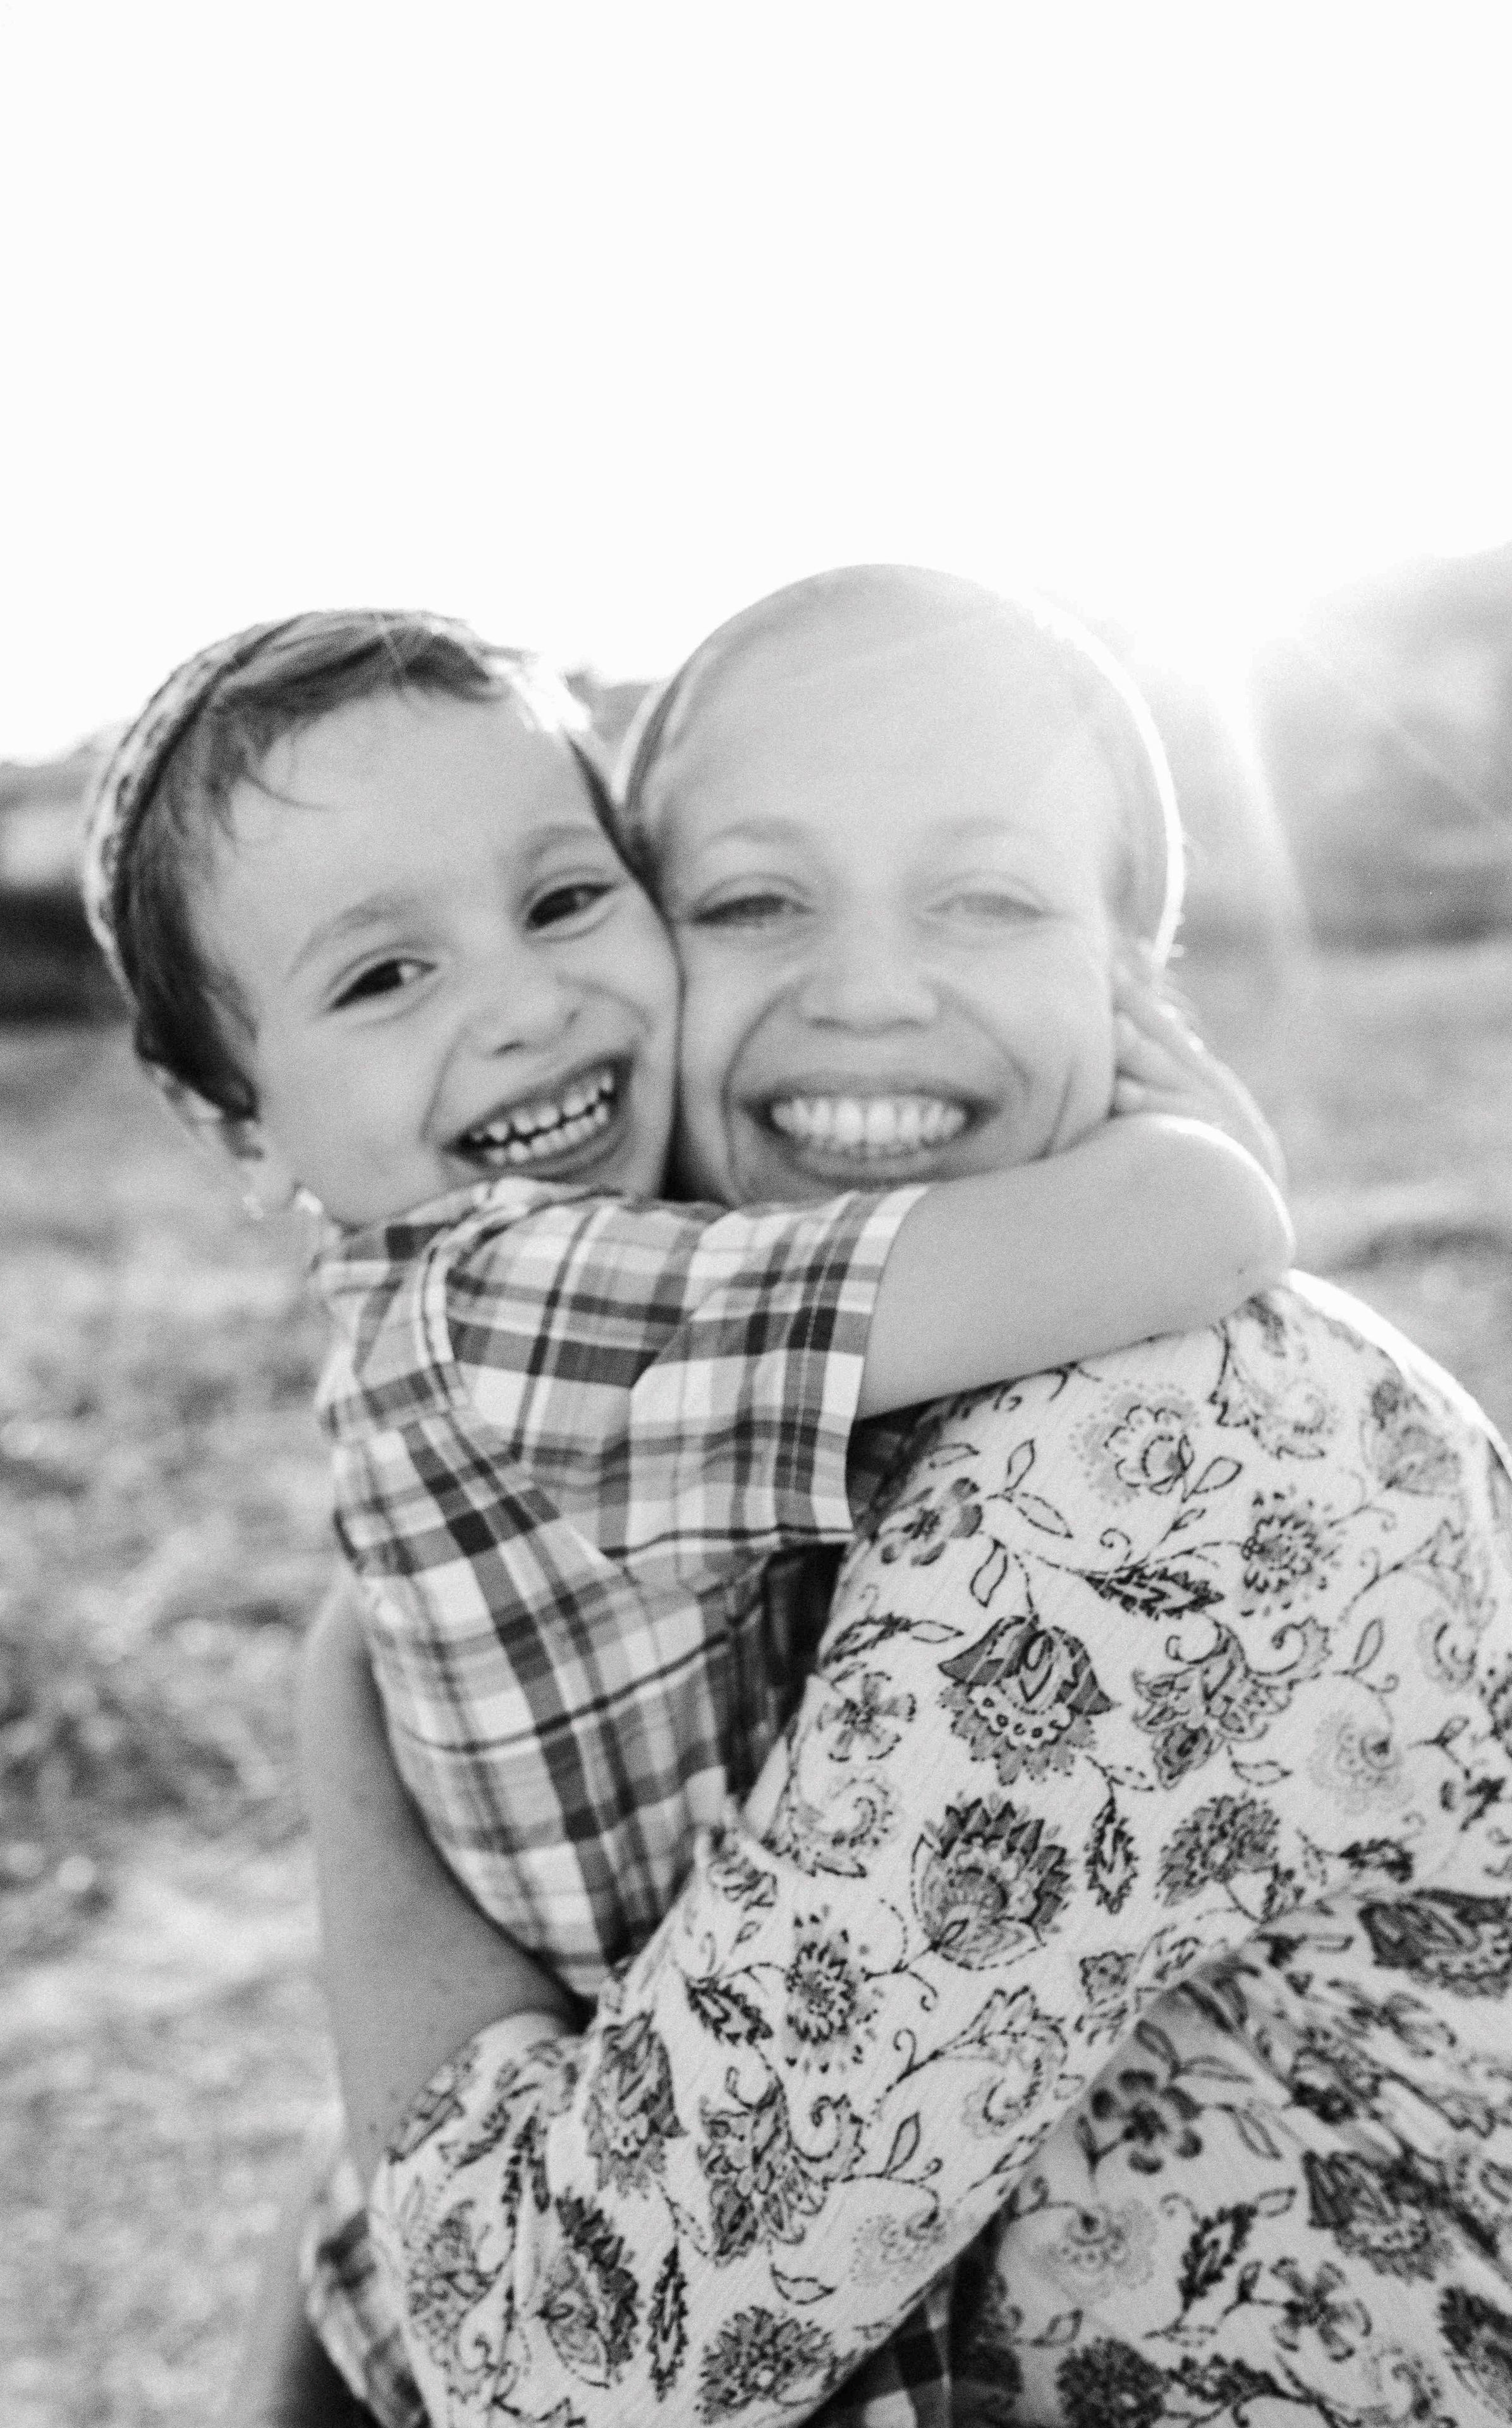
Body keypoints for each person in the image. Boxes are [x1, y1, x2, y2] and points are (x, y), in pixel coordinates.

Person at [304, 570, 1512, 2425]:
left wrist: (339, 1722)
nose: (868, 991)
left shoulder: (1149, 1454)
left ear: (1126, 987)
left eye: (988, 896)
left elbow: (589, 2372)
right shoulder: (774, 1423)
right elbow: (474, 2084)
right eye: (754, 900)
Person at [80, 595, 1289, 2426]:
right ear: (237, 1128)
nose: (525, 999)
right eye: (383, 976)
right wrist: (1185, 1134)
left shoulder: (560, 1287)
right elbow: (1190, 1233)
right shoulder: (520, 1310)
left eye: (564, 899)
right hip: (636, 2201)